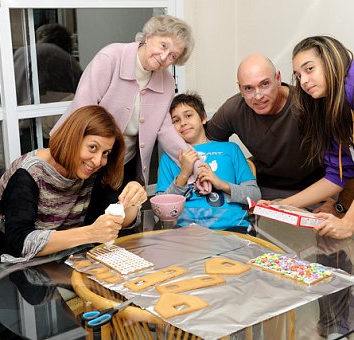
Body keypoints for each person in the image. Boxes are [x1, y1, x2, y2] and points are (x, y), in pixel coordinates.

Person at [50, 15, 210, 224]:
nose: (164, 57)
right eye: (163, 45)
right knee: (66, 220)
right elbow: (83, 109)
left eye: (173, 56)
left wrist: (197, 166)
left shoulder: (167, 82)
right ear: (149, 35)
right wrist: (83, 156)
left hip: (119, 164)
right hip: (80, 154)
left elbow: (166, 131)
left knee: (110, 224)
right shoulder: (111, 58)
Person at [0, 105, 147, 273]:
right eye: (93, 147)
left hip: (61, 262)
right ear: (73, 139)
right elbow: (19, 243)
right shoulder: (28, 174)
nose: (97, 161)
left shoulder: (92, 171)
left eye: (105, 153)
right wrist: (89, 234)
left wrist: (130, 203)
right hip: (8, 270)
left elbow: (110, 219)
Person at [205, 54, 324, 200]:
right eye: (248, 88)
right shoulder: (234, 109)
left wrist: (339, 205)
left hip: (314, 189)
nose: (258, 96)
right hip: (263, 189)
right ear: (240, 89)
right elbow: (205, 144)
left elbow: (346, 161)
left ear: (278, 78)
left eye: (265, 84)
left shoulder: (308, 103)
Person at [274, 36, 354, 240]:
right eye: (298, 75)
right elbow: (338, 174)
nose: (304, 81)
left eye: (309, 69)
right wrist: (283, 205)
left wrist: (348, 223)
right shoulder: (331, 108)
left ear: (331, 60)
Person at [156, 92, 261, 233]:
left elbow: (254, 195)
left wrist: (220, 184)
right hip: (186, 232)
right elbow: (160, 210)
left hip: (233, 228)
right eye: (176, 120)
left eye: (188, 115)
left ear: (203, 118)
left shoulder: (230, 150)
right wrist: (184, 174)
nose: (183, 123)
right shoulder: (169, 158)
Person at [14, 23, 83, 151]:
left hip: (22, 123)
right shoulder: (63, 58)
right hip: (49, 128)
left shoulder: (21, 52)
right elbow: (81, 92)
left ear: (41, 36)